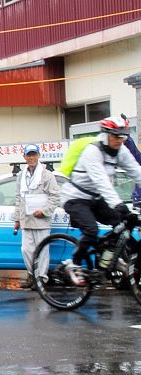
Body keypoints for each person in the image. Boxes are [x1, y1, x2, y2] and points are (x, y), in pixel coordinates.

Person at [61, 115, 141, 284]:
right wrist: (119, 205)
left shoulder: (121, 151)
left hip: (96, 199)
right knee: (91, 230)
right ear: (106, 134)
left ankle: (111, 258)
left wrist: (121, 211)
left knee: (123, 224)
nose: (120, 140)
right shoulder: (93, 152)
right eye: (116, 135)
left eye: (123, 136)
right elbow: (102, 182)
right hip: (75, 198)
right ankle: (73, 264)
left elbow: (136, 172)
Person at [13, 144, 60, 289]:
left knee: (42, 250)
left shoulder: (47, 175)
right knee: (26, 249)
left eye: (34, 154)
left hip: (41, 220)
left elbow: (55, 197)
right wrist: (17, 219)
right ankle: (31, 275)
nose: (31, 157)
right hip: (26, 219)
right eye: (29, 155)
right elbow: (18, 198)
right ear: (24, 157)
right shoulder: (21, 175)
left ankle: (41, 278)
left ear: (39, 156)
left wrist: (44, 211)